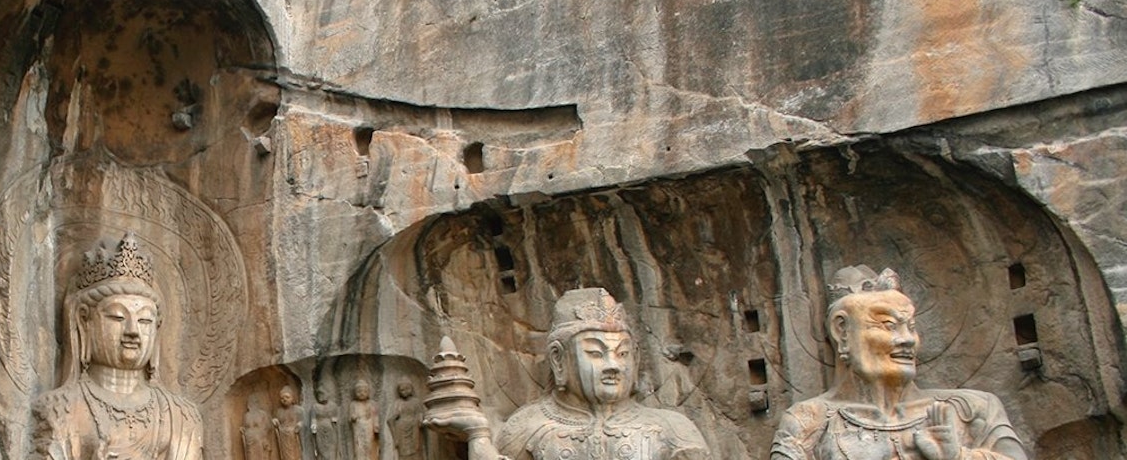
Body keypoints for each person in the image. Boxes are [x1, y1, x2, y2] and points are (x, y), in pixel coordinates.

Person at [772, 266, 1027, 460]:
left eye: (911, 327)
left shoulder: (970, 409)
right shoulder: (810, 420)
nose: (906, 340)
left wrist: (959, 456)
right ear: (842, 331)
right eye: (888, 326)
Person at [425, 288, 708, 460]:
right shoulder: (528, 426)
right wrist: (478, 435)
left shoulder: (671, 429)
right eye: (595, 353)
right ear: (559, 360)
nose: (613, 365)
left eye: (622, 353)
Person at [30, 234, 201, 459]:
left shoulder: (182, 416)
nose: (132, 331)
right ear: (84, 320)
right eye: (117, 317)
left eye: (145, 321)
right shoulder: (58, 408)